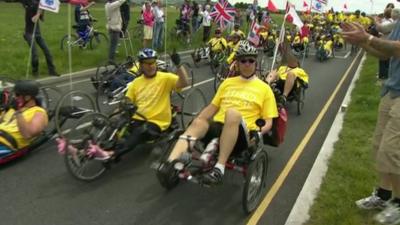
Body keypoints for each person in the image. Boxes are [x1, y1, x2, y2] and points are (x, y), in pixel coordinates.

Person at [159, 41, 278, 185]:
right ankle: (171, 163)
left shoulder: (264, 89)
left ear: (255, 63)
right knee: (199, 122)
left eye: (251, 60)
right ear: (238, 63)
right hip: (219, 127)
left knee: (232, 113)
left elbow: (268, 121)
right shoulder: (227, 83)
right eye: (243, 60)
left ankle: (219, 168)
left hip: (243, 135)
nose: (247, 63)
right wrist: (199, 120)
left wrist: (258, 134)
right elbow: (213, 107)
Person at [341, 7, 400, 224]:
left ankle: (398, 204)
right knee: (379, 146)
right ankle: (383, 195)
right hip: (392, 89)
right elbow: (385, 53)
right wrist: (362, 42)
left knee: (391, 150)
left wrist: (368, 37)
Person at [91, 49, 189, 159]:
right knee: (115, 124)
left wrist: (178, 65)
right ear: (141, 65)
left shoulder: (165, 78)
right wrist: (116, 115)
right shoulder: (136, 82)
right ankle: (93, 146)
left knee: (139, 132)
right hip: (137, 117)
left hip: (157, 121)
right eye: (147, 63)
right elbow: (127, 101)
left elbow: (184, 83)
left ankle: (112, 154)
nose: (150, 66)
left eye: (152, 62)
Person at [0, 80, 48, 158]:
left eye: (17, 95)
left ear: (28, 97)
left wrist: (18, 113)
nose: (15, 97)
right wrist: (4, 109)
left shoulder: (38, 112)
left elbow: (27, 135)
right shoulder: (13, 108)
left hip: (6, 143)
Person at [21, 0, 58, 77]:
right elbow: (34, 19)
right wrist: (39, 12)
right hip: (29, 33)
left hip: (37, 34)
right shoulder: (29, 9)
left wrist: (42, 10)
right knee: (35, 54)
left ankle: (52, 71)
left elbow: (42, 19)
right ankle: (35, 72)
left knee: (47, 51)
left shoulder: (39, 7)